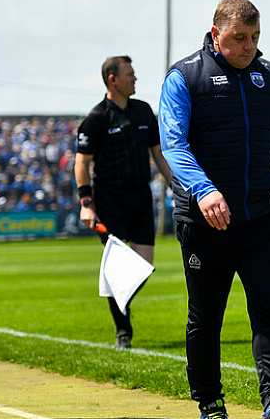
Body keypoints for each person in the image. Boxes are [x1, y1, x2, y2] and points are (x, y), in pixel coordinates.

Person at [158, 0, 270, 419]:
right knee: (206, 316)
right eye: (239, 38)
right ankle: (211, 403)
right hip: (203, 220)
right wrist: (204, 190)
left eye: (255, 37)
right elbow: (174, 145)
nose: (249, 46)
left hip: (261, 215)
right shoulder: (185, 77)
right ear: (216, 34)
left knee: (269, 306)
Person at [74, 55, 172, 349]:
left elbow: (158, 155)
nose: (135, 79)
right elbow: (81, 163)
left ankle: (119, 298)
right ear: (112, 79)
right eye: (130, 74)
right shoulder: (96, 119)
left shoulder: (143, 112)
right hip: (109, 199)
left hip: (141, 197)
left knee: (144, 265)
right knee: (117, 269)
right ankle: (123, 331)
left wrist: (177, 186)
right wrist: (86, 203)